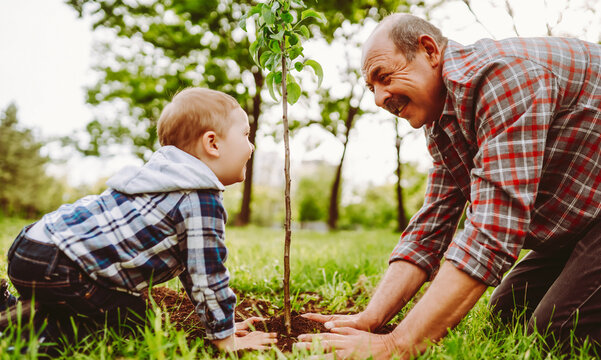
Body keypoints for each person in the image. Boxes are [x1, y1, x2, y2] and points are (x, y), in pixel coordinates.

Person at [296, 13, 601, 359]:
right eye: (372, 88)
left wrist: (397, 345)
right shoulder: (444, 119)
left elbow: (492, 230)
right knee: (508, 314)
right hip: (585, 216)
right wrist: (371, 319)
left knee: (559, 329)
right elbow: (431, 227)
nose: (379, 99)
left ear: (429, 50)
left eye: (384, 77)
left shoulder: (504, 78)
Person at [0, 88, 276, 352]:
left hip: (33, 247)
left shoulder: (164, 176)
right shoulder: (200, 197)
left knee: (118, 306)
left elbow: (194, 270)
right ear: (212, 143)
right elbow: (209, 276)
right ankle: (30, 336)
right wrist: (227, 341)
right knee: (132, 324)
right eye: (246, 135)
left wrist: (222, 326)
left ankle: (10, 307)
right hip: (64, 268)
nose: (251, 146)